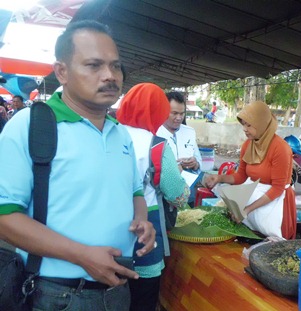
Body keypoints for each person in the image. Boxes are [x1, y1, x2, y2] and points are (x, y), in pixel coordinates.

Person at [0, 20, 155, 310]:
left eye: (115, 66)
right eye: (94, 65)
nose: (110, 76)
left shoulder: (119, 131)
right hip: (55, 295)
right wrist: (81, 255)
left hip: (117, 290)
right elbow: (5, 217)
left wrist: (142, 221)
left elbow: (135, 191)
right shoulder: (31, 126)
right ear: (62, 72)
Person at [116, 83, 190, 311]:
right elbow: (176, 194)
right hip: (145, 225)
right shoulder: (156, 145)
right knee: (143, 296)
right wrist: (183, 191)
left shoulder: (108, 132)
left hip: (108, 224)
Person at [205, 101, 297, 239]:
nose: (244, 129)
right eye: (243, 124)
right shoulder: (248, 145)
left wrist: (247, 210)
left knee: (270, 247)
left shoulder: (281, 149)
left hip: (275, 206)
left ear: (262, 124)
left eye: (249, 125)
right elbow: (240, 176)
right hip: (253, 204)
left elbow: (277, 189)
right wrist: (219, 178)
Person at [157, 91, 202, 207]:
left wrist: (195, 164)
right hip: (165, 197)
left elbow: (200, 162)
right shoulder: (155, 133)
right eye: (174, 113)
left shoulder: (189, 132)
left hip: (188, 192)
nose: (179, 118)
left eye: (182, 114)